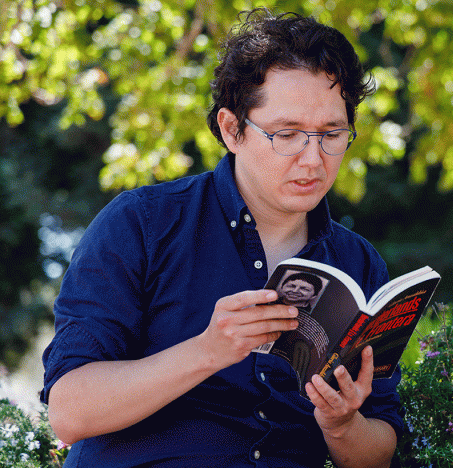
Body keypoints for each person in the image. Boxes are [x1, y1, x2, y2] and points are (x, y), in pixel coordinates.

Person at [41, 9, 402, 468]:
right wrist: (207, 352)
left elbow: (376, 453)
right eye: (287, 134)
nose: (314, 160)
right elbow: (69, 413)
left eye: (331, 134)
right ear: (232, 129)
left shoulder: (358, 263)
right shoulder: (142, 224)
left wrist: (342, 426)